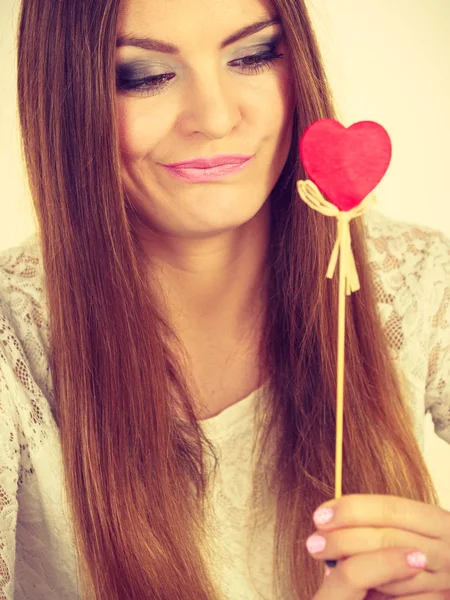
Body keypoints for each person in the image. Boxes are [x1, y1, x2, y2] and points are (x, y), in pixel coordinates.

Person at [0, 0, 449, 598]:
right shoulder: (13, 346)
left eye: (254, 55)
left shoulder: (418, 278)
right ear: (65, 97)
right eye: (143, 76)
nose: (214, 117)